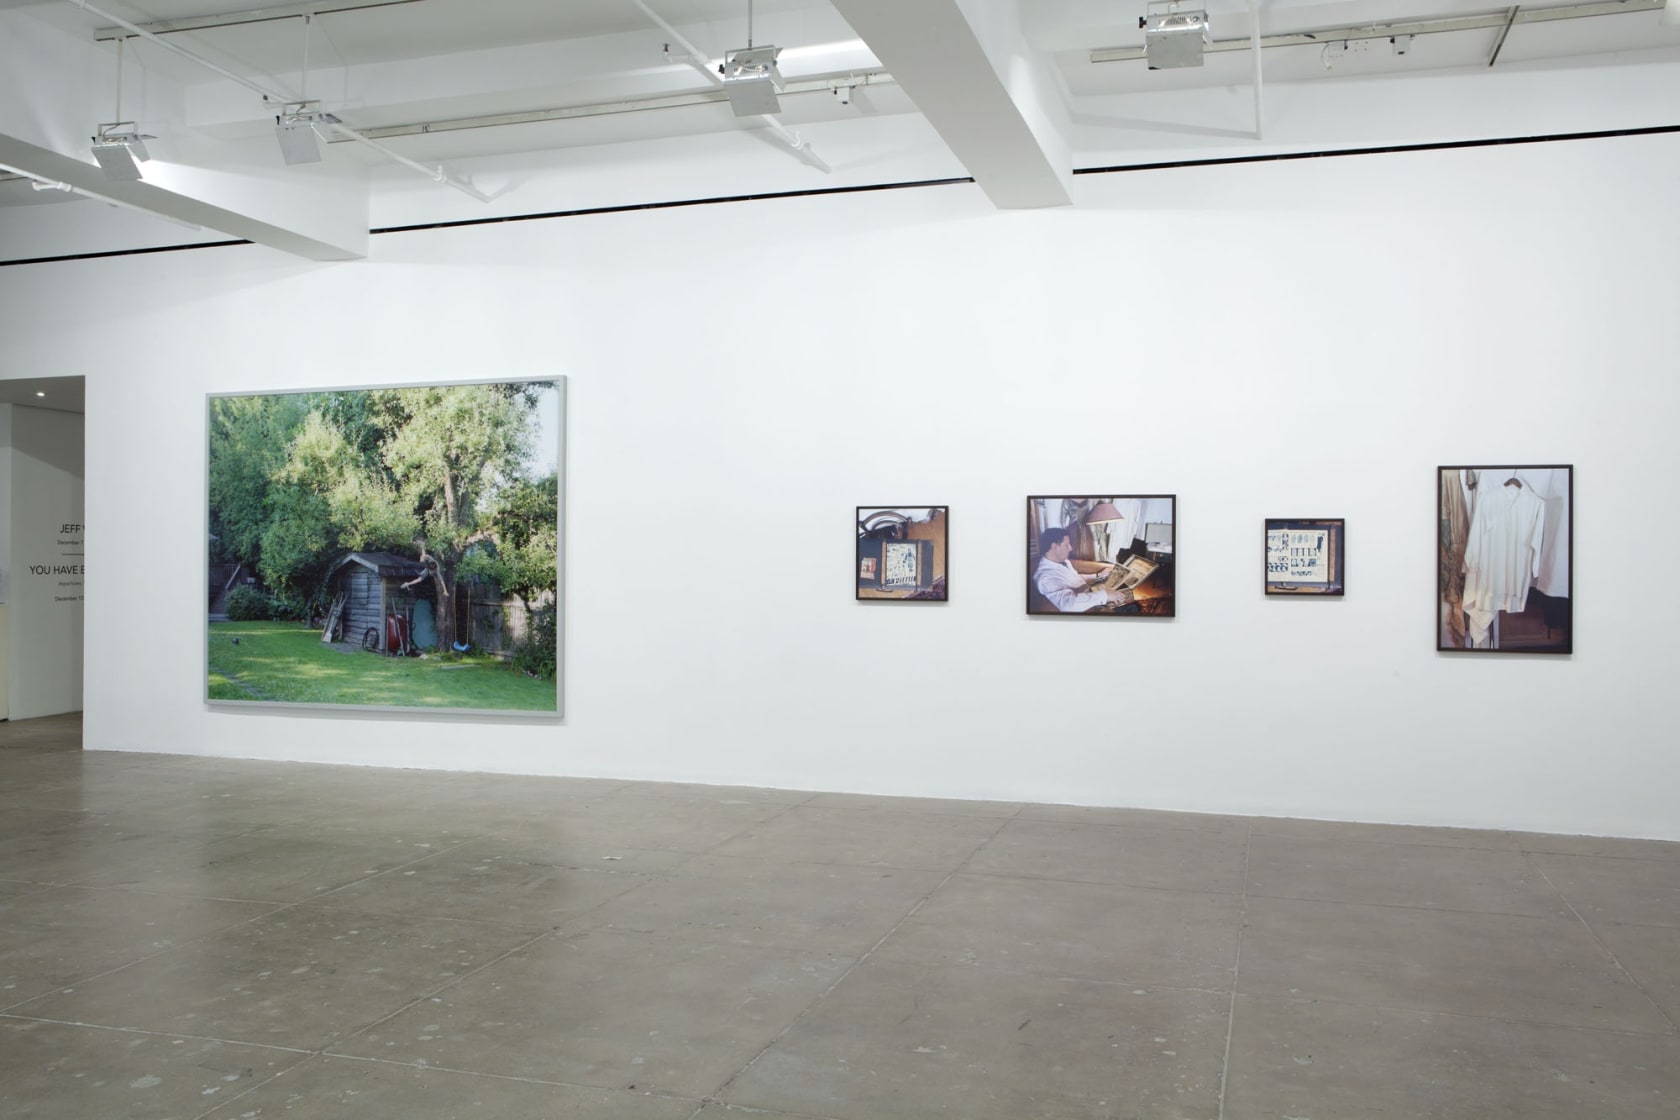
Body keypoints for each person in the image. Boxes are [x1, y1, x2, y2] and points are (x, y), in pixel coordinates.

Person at [1034, 527, 1132, 612]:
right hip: (1088, 604)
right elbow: (1069, 605)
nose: (1071, 548)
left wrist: (1098, 575)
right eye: (1066, 545)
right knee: (1132, 606)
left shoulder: (1062, 561)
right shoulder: (1046, 578)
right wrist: (1105, 596)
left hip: (1091, 593)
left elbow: (1075, 578)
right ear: (1054, 546)